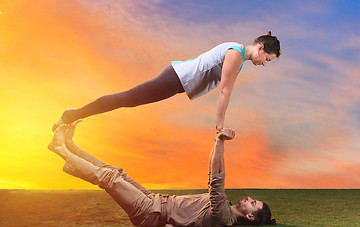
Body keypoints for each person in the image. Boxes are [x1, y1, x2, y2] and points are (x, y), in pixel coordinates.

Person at [48, 121, 276, 227]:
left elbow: (215, 179)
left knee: (110, 180)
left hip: (150, 213)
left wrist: (219, 142)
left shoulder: (225, 218)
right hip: (153, 200)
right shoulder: (225, 207)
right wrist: (216, 141)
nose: (248, 198)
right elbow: (213, 179)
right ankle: (70, 146)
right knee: (115, 172)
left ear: (250, 217)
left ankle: (60, 149)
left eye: (252, 202)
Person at [52, 32, 281, 134]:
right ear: (261, 48)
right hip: (175, 77)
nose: (264, 64)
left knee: (127, 101)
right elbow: (224, 92)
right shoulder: (236, 53)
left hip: (177, 80)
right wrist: (219, 125)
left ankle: (73, 114)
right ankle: (71, 114)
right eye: (267, 59)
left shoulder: (239, 60)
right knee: (125, 99)